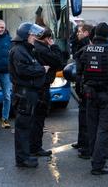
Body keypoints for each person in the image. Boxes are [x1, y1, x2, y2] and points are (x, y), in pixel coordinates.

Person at [76, 22, 108, 175]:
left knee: (92, 127)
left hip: (89, 94)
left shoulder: (85, 50)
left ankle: (97, 155)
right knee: (105, 129)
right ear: (107, 35)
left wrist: (83, 88)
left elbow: (78, 73)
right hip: (107, 94)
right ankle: (98, 164)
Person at [9, 22, 49, 168]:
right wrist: (41, 70)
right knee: (23, 128)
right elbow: (23, 70)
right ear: (26, 35)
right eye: (32, 35)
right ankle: (23, 159)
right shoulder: (19, 50)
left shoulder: (25, 50)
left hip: (28, 93)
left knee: (26, 126)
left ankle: (25, 156)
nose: (34, 38)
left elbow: (30, 66)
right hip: (23, 93)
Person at [30, 28, 64, 157]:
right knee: (38, 120)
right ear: (47, 38)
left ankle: (33, 147)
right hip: (42, 88)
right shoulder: (43, 49)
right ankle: (35, 148)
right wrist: (54, 46)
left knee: (34, 119)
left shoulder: (34, 47)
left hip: (35, 87)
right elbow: (59, 62)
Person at [71, 24, 93, 158]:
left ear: (86, 33)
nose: (77, 34)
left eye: (79, 32)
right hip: (83, 86)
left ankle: (85, 145)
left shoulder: (86, 47)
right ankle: (81, 142)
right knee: (82, 116)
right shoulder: (80, 44)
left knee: (86, 117)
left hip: (86, 87)